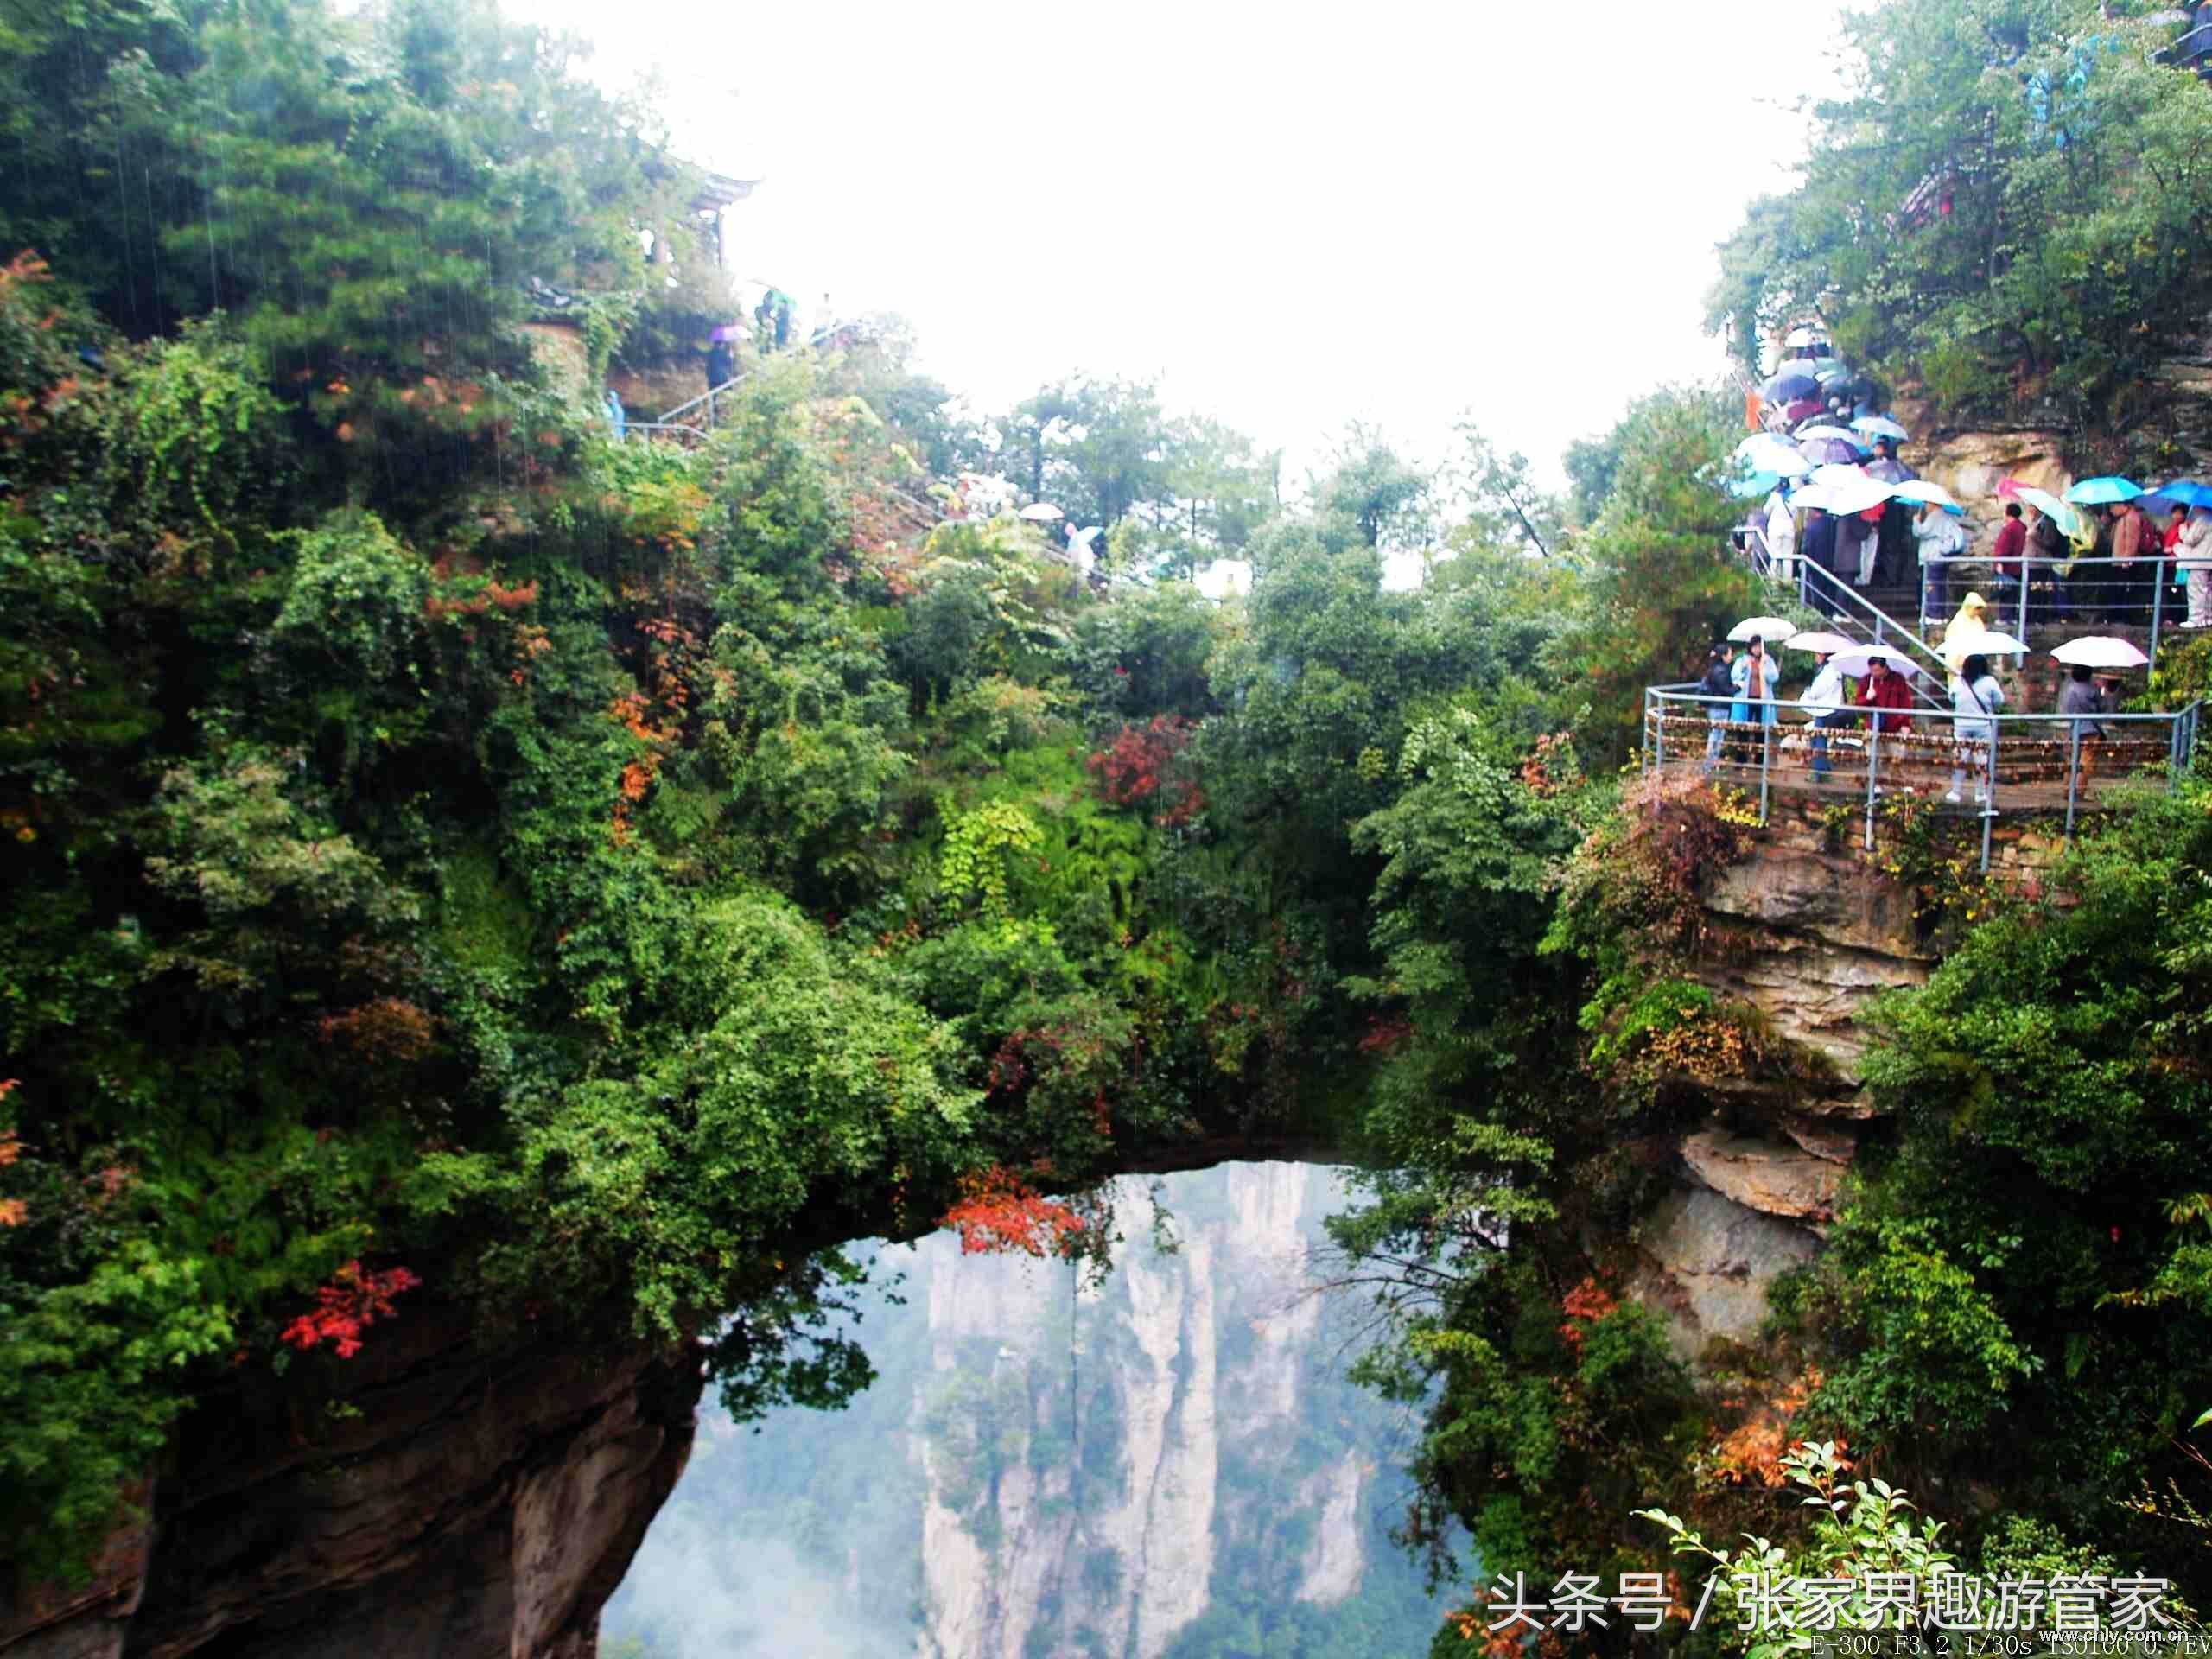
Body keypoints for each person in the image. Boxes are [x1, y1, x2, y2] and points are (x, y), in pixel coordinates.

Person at [1948, 651, 2005, 804]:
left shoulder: (1958, 681)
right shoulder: (1990, 681)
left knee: (1961, 759)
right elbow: (1999, 701)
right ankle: (1980, 793)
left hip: (1961, 725)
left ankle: (1956, 792)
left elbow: (1951, 698)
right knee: (1982, 760)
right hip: (1983, 725)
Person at [1799, 650, 1848, 781]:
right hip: (1830, 709)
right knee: (1820, 740)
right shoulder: (1835, 670)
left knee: (1819, 742)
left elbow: (1816, 692)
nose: (1816, 657)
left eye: (1818, 654)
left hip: (1824, 711)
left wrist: (1808, 691)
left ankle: (1819, 773)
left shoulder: (1828, 671)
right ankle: (1824, 770)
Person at [1913, 500, 1966, 620]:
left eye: (1927, 503)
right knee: (1939, 585)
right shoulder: (1946, 517)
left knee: (1932, 585)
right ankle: (1939, 614)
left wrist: (1916, 520)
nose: (1925, 506)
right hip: (1941, 556)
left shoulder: (1935, 515)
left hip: (1932, 555)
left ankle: (1934, 615)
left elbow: (1921, 532)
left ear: (1933, 504)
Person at [1731, 635, 1780, 764]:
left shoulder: (1768, 660)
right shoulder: (1742, 660)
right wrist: (1744, 667)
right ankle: (1740, 760)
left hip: (1762, 700)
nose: (1757, 649)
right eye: (1755, 646)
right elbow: (1734, 676)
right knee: (1743, 729)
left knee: (1761, 730)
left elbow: (1774, 677)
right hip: (1746, 700)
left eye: (1759, 646)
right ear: (1750, 647)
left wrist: (1764, 669)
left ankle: (1759, 761)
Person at [1990, 503, 2027, 626]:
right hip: (2018, 565)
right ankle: (2012, 617)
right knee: (2014, 592)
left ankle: (2005, 617)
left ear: (2008, 513)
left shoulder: (2010, 528)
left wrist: (1999, 562)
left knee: (2006, 591)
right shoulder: (2022, 527)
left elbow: (2003, 547)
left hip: (2008, 566)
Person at [1699, 645, 1735, 772]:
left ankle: (1711, 763)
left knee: (1716, 735)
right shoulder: (1722, 670)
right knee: (1716, 736)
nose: (1732, 657)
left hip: (1715, 706)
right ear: (1724, 656)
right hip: (1719, 707)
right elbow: (1725, 689)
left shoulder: (1714, 668)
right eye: (1730, 654)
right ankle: (1708, 765)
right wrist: (1737, 688)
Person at [2057, 663, 2107, 750]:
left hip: (2075, 730)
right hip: (2091, 730)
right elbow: (2102, 708)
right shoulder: (2093, 689)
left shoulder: (2069, 689)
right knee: (2088, 760)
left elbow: (2068, 708)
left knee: (2074, 758)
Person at [1942, 591, 1994, 674]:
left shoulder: (1978, 621)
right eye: (1977, 608)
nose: (1978, 611)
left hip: (1974, 661)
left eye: (1980, 608)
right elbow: (1953, 643)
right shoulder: (1958, 621)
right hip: (1958, 663)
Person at [2179, 506, 2212, 628]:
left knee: (2196, 590)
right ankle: (2208, 618)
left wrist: (2183, 530)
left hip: (2199, 561)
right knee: (2208, 591)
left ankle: (2195, 619)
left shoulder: (2204, 520)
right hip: (2209, 560)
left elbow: (2190, 540)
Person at [1764, 486, 1797, 582]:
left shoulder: (1774, 496)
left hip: (1775, 529)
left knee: (1775, 555)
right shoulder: (1792, 497)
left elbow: (1766, 511)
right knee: (1788, 558)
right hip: (1789, 529)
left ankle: (1775, 581)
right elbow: (1794, 515)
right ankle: (1787, 582)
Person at [1802, 506, 1837, 583]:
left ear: (1813, 511)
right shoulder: (1832, 522)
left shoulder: (1812, 527)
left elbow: (1807, 547)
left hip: (1815, 564)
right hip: (1830, 562)